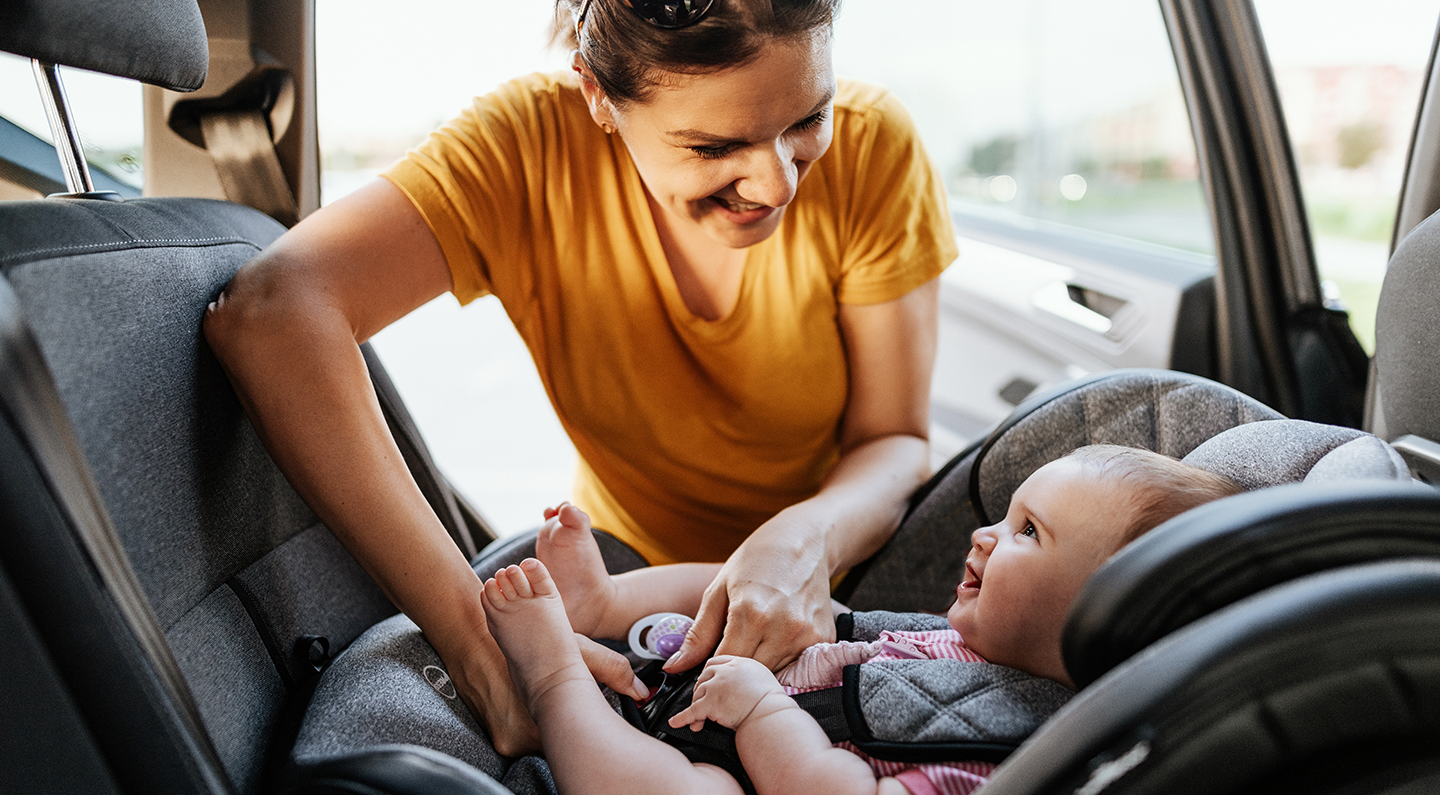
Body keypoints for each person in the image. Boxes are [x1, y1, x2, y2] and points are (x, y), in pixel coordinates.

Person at [202, 0, 957, 753]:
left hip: (841, 567)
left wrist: (802, 542)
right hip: (632, 574)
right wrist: (483, 651)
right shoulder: (527, 150)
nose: (775, 184)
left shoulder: (875, 145)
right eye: (713, 146)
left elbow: (891, 440)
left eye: (806, 121)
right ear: (598, 95)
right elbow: (271, 313)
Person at [479, 445, 1244, 795]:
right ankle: (605, 605)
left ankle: (551, 682)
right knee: (802, 601)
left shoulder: (1002, 756)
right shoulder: (966, 643)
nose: (983, 535)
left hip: (742, 761)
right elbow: (849, 642)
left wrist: (763, 710)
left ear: (1104, 616)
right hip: (728, 687)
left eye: (1027, 533)